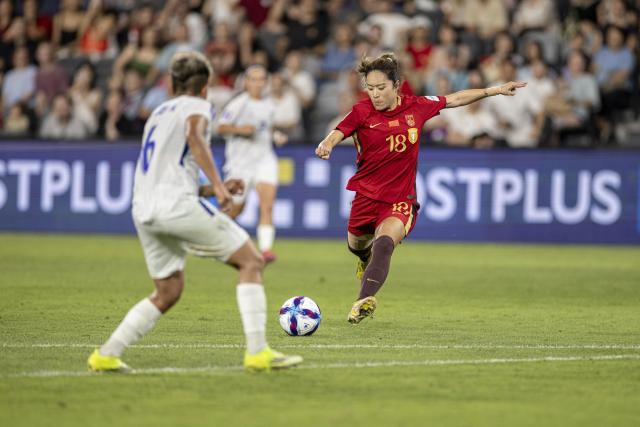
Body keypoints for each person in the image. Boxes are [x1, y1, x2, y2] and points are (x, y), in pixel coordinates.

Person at [87, 52, 302, 373]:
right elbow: (194, 134)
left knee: (168, 290)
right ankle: (258, 352)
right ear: (206, 86)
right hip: (175, 205)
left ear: (172, 83)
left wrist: (210, 187)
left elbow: (169, 169)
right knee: (252, 261)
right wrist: (217, 186)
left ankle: (106, 354)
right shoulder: (199, 107)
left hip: (145, 207)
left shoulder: (158, 112)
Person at [315, 53, 525, 324]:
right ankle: (362, 257)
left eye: (381, 88)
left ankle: (362, 301)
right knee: (356, 246)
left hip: (400, 198)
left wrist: (493, 90)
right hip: (366, 196)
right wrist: (327, 143)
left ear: (396, 85)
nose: (375, 94)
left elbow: (454, 99)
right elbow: (338, 132)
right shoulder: (361, 112)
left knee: (385, 243)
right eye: (370, 88)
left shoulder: (417, 107)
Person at [218, 65, 288, 264]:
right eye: (253, 79)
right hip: (240, 163)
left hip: (264, 158)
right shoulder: (238, 103)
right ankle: (211, 238)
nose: (258, 83)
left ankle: (265, 250)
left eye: (261, 79)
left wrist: (277, 136)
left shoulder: (270, 105)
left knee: (267, 205)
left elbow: (267, 129)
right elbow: (221, 127)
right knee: (235, 209)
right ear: (246, 82)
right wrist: (241, 129)